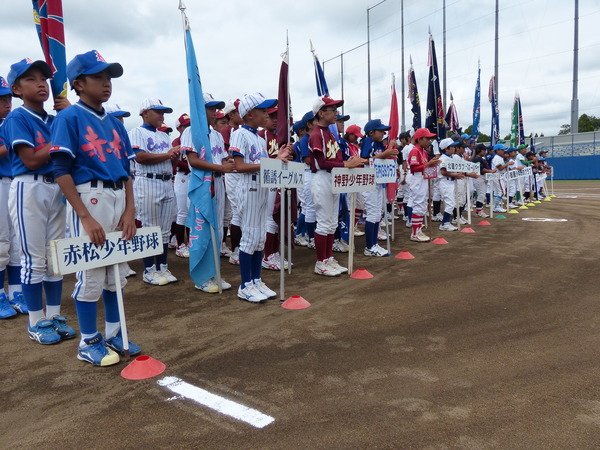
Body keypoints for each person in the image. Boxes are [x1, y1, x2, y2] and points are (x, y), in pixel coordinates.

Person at [50, 49, 140, 366]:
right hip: (89, 195)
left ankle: (115, 332)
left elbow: (128, 171)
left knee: (116, 274)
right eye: (98, 77)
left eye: (108, 77)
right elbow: (60, 170)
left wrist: (130, 210)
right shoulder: (68, 117)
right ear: (78, 83)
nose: (106, 83)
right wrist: (84, 217)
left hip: (117, 195)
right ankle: (88, 341)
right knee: (91, 274)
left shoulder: (115, 123)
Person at [4, 58, 74, 344]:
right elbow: (31, 160)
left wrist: (71, 117)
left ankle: (54, 315)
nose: (41, 83)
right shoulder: (16, 118)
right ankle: (36, 321)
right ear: (17, 89)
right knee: (32, 260)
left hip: (56, 188)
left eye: (43, 78)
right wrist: (61, 132)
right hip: (28, 188)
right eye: (31, 79)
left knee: (54, 258)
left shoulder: (55, 120)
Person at [230, 92, 291, 302]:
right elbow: (239, 166)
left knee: (259, 238)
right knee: (250, 237)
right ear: (248, 114)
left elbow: (262, 166)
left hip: (261, 187)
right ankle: (245, 284)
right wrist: (272, 161)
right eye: (262, 110)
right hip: (248, 187)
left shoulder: (258, 137)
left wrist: (277, 159)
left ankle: (256, 280)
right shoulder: (239, 134)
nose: (267, 114)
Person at [181, 92, 235, 293]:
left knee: (218, 230)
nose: (215, 112)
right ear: (199, 110)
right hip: (202, 186)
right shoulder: (191, 131)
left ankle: (214, 274)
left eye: (215, 108)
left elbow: (220, 160)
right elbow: (193, 161)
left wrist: (226, 163)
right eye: (210, 108)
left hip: (218, 185)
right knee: (202, 231)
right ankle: (201, 277)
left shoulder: (217, 135)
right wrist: (221, 167)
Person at [309, 95, 366, 276]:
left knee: (332, 222)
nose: (336, 113)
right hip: (322, 178)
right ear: (321, 113)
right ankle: (321, 262)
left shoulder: (330, 134)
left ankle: (328, 258)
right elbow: (321, 162)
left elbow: (336, 158)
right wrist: (345, 165)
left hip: (333, 177)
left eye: (336, 110)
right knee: (324, 222)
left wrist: (350, 161)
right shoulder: (317, 134)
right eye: (332, 110)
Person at [129, 98, 179, 286]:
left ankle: (162, 266)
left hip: (166, 181)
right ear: (145, 113)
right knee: (150, 229)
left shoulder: (164, 136)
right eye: (157, 111)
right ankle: (149, 270)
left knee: (165, 230)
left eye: (162, 111)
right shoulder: (137, 132)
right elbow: (140, 157)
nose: (162, 115)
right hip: (147, 180)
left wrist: (174, 156)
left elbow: (170, 163)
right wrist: (168, 154)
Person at [0, 76, 26, 318]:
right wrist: (16, 144)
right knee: (1, 241)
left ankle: (16, 291)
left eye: (8, 97)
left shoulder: (11, 123)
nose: (7, 102)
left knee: (17, 241)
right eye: (1, 98)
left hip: (14, 182)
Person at [360, 119, 398, 256]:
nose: (383, 133)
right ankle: (369, 247)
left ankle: (374, 244)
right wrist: (386, 152)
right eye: (381, 131)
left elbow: (382, 159)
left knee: (377, 214)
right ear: (371, 132)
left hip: (379, 181)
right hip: (369, 181)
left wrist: (390, 154)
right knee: (372, 213)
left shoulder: (380, 144)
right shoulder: (368, 141)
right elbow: (365, 160)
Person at [407, 128, 441, 242]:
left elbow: (425, 166)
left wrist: (433, 164)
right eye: (427, 138)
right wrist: (428, 164)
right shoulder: (414, 150)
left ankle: (418, 231)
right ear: (420, 139)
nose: (429, 141)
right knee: (418, 204)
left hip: (424, 178)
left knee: (422, 205)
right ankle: (415, 233)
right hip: (417, 178)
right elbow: (414, 167)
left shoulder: (423, 151)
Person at [171, 113, 191, 258]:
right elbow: (176, 161)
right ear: (179, 128)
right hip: (182, 177)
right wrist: (192, 166)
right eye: (185, 125)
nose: (188, 127)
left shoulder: (193, 139)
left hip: (192, 176)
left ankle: (190, 243)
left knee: (191, 212)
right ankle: (180, 244)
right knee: (182, 212)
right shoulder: (177, 141)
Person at [437, 138, 461, 231]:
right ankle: (444, 224)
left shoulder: (451, 157)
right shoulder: (443, 158)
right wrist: (455, 175)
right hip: (445, 181)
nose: (454, 148)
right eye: (452, 147)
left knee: (451, 203)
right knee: (450, 203)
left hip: (451, 181)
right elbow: (443, 172)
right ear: (446, 148)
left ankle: (446, 222)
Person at [472, 143, 496, 217]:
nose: (485, 151)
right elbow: (481, 169)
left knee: (482, 194)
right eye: (484, 150)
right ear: (479, 150)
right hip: (478, 177)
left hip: (482, 177)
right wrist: (490, 171)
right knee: (481, 194)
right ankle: (479, 210)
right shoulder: (476, 158)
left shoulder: (482, 158)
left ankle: (480, 210)